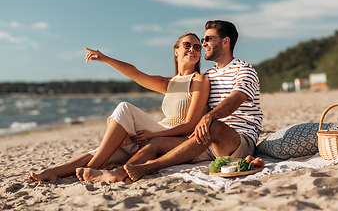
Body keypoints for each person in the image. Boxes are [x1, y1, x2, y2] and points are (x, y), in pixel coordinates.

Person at [76, 20, 263, 183]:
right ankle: (120, 172)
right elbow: (137, 74)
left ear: (225, 41)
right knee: (155, 143)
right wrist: (107, 59)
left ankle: (148, 167)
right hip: (205, 141)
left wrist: (208, 118)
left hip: (238, 141)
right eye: (202, 40)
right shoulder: (209, 75)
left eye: (207, 39)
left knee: (212, 125)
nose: (203, 43)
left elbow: (234, 100)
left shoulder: (244, 70)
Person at [28, 32, 210, 182]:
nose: (192, 49)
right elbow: (135, 73)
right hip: (159, 131)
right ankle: (56, 171)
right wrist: (106, 59)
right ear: (176, 51)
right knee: (110, 149)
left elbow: (190, 124)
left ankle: (91, 168)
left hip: (176, 139)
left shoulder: (199, 81)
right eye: (187, 45)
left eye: (196, 47)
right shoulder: (168, 83)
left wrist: (153, 135)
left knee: (124, 108)